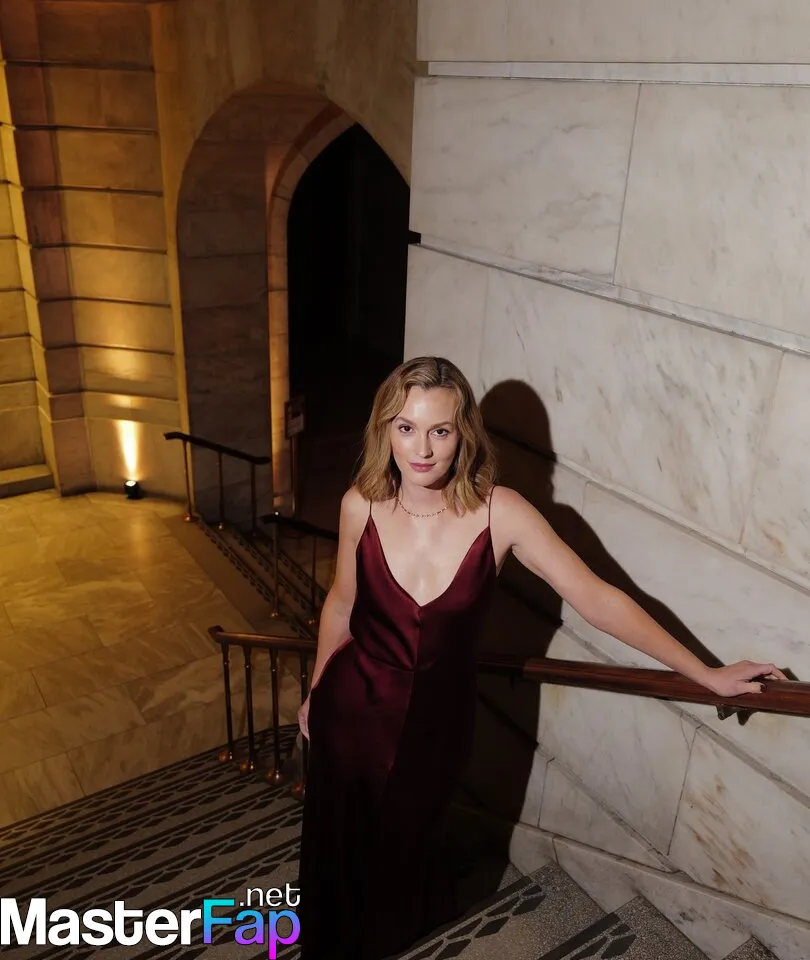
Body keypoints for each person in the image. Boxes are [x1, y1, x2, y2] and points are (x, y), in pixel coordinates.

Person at [295, 355, 786, 960]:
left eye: (440, 430)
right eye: (406, 428)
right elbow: (342, 603)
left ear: (463, 433)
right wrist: (317, 688)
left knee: (409, 843)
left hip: (436, 727)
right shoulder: (361, 504)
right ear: (384, 430)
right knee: (340, 845)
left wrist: (705, 674)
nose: (421, 449)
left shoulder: (499, 512)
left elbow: (598, 600)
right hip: (351, 711)